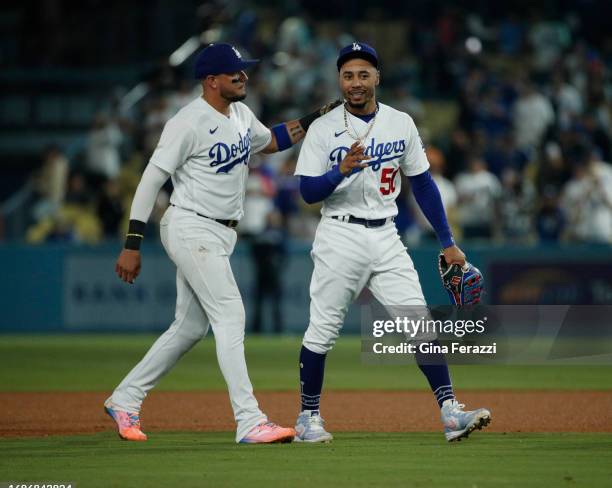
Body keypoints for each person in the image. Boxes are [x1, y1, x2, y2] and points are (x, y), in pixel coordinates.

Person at [104, 43, 339, 444]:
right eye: (235, 73)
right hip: (191, 226)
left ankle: (125, 398)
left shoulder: (241, 113)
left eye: (243, 72)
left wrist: (316, 118)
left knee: (190, 327)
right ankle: (249, 419)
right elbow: (151, 179)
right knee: (230, 314)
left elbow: (272, 141)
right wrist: (132, 242)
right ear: (211, 81)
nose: (243, 77)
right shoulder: (187, 121)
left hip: (221, 232)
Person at [293, 42, 491, 443]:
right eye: (348, 75)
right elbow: (308, 192)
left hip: (386, 233)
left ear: (377, 77)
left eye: (364, 74)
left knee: (419, 323)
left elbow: (422, 183)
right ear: (339, 80)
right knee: (323, 330)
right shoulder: (322, 128)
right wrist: (339, 171)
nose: (355, 82)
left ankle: (451, 412)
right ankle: (307, 419)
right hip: (339, 233)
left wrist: (447, 241)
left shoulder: (400, 122)